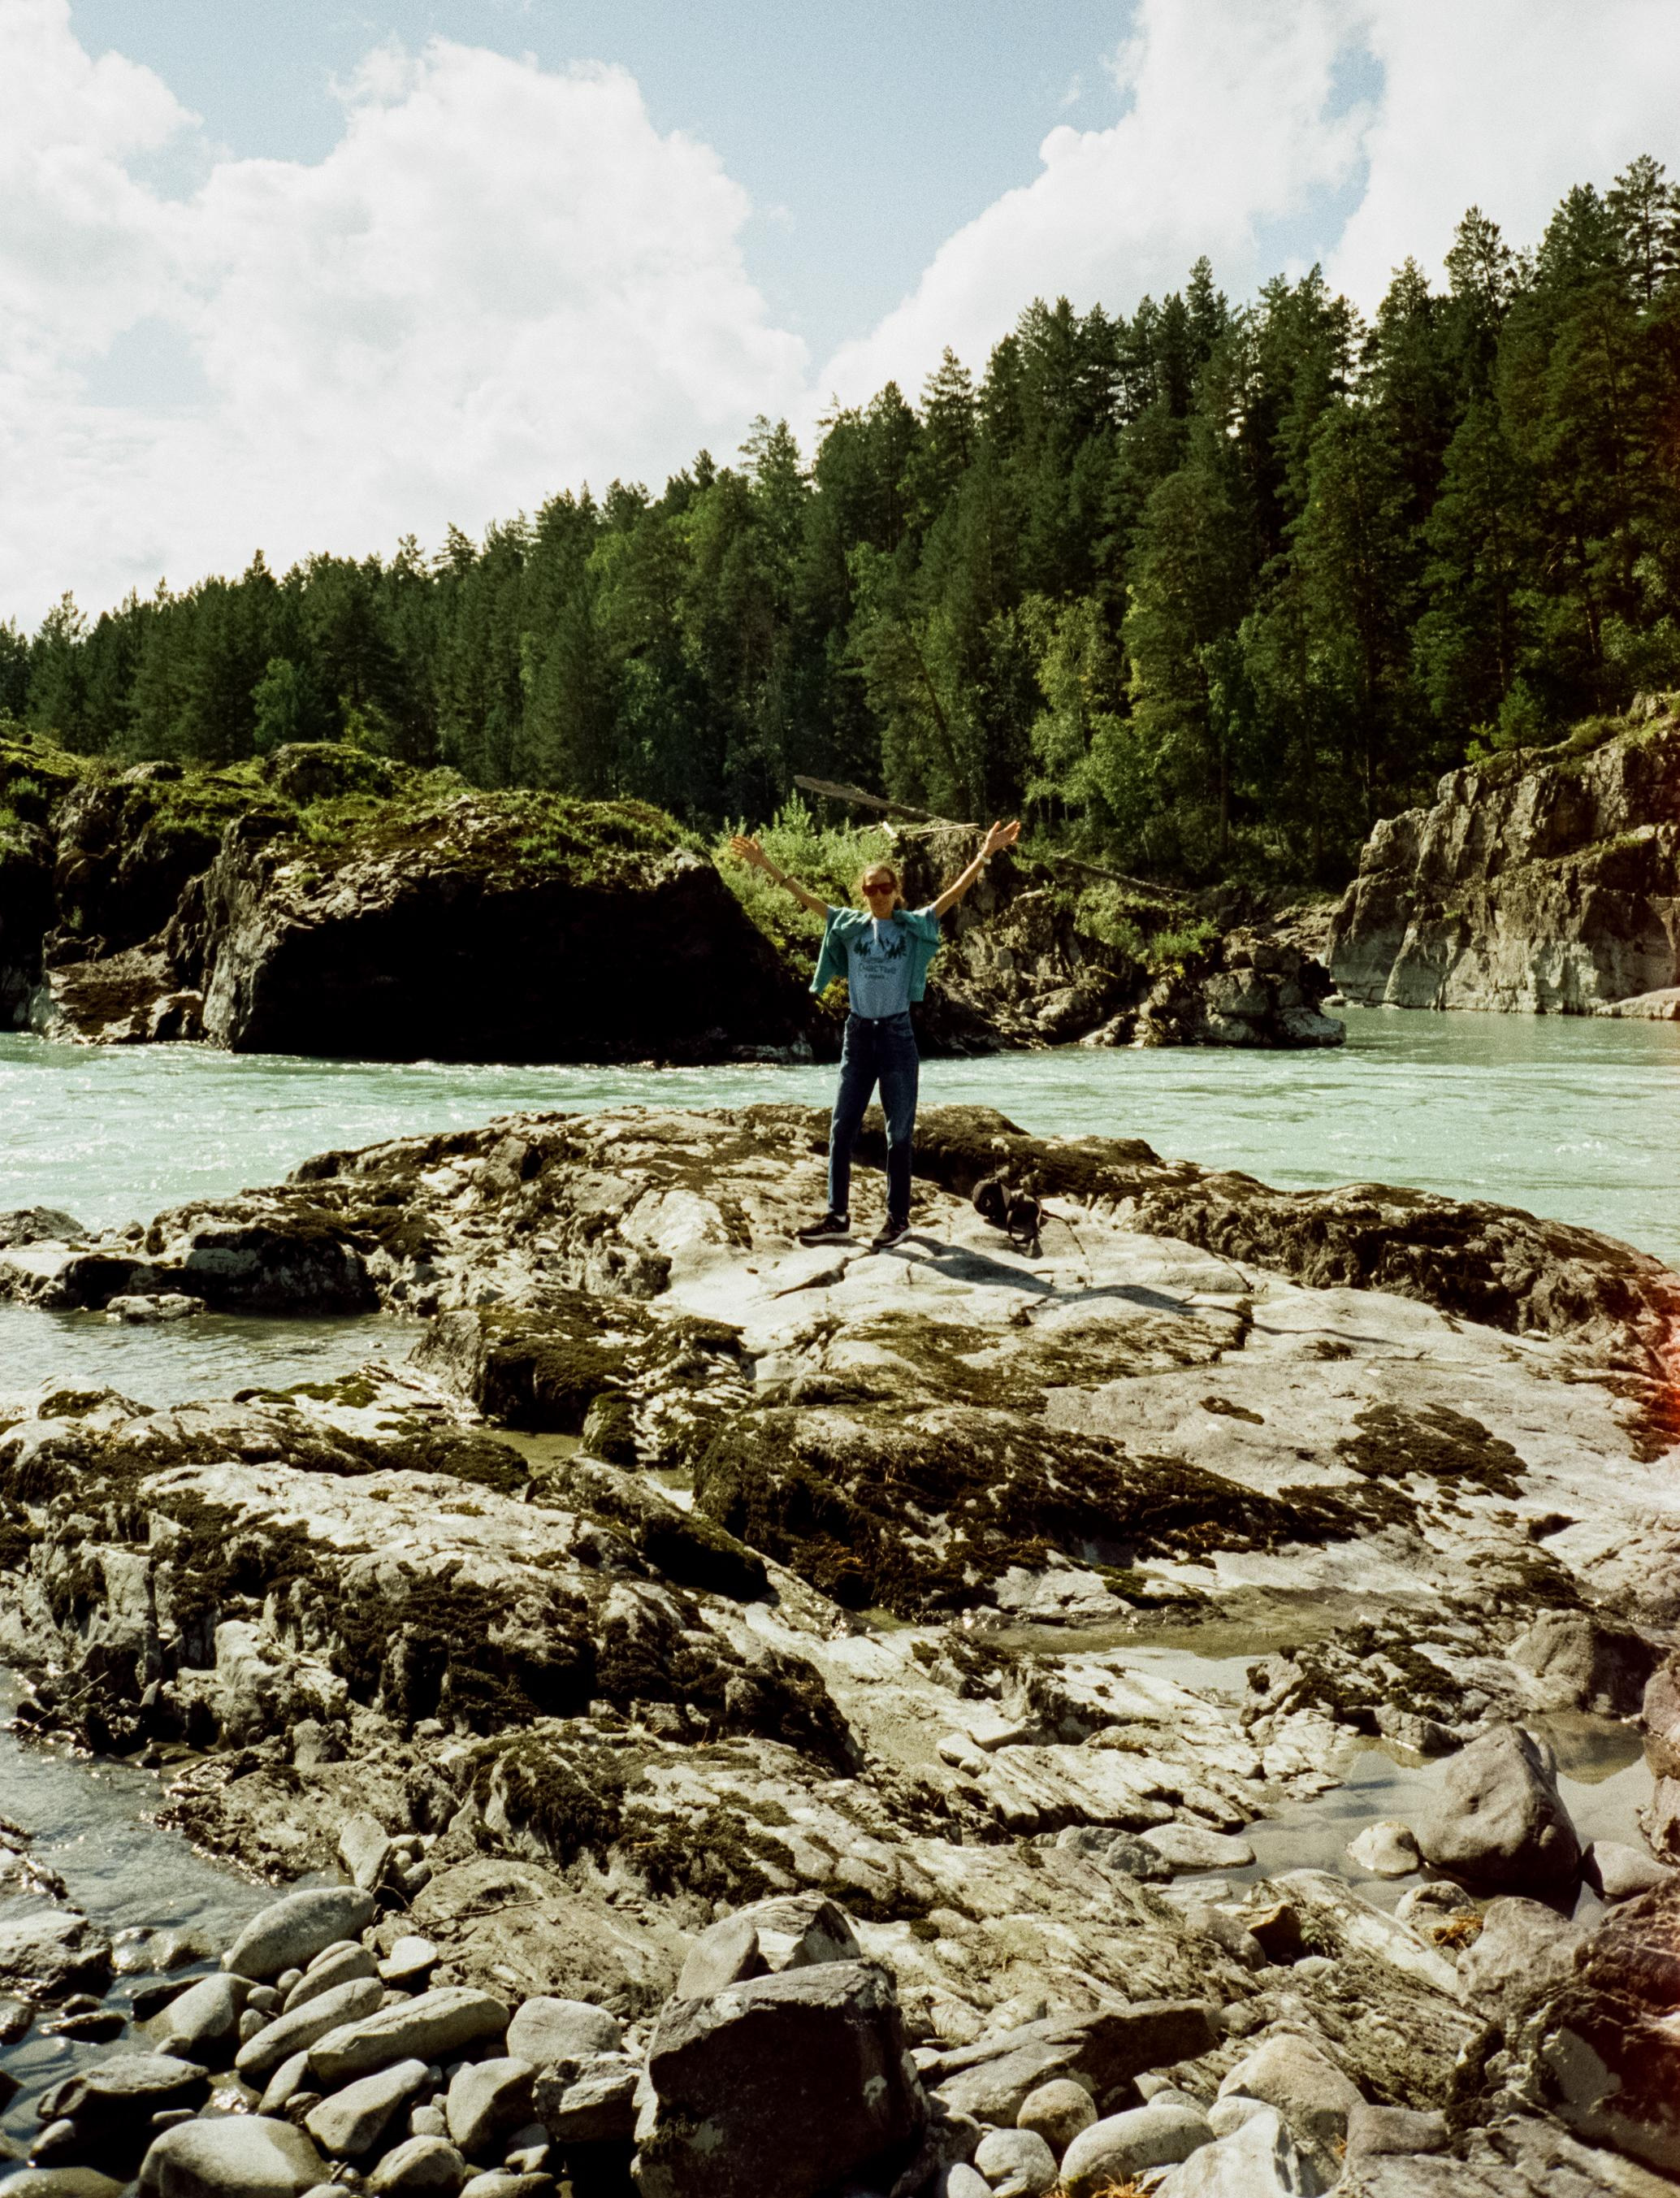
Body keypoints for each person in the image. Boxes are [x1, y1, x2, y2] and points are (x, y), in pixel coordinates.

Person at [728, 819, 1021, 1249]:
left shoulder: (912, 924)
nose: (879, 895)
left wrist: (984, 854)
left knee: (898, 1133)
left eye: (885, 888)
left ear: (896, 889)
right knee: (841, 1127)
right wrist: (765, 863)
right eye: (870, 889)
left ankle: (897, 1220)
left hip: (897, 1038)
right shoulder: (848, 926)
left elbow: (953, 896)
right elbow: (805, 899)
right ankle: (837, 1216)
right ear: (862, 894)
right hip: (859, 1035)